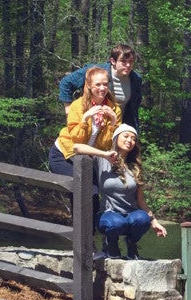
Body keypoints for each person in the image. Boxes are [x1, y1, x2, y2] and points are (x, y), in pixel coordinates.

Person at [96, 124, 168, 260]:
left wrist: (154, 221)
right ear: (116, 138)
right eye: (126, 136)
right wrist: (104, 154)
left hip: (130, 215)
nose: (130, 140)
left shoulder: (135, 167)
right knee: (117, 223)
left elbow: (140, 201)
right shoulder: (102, 160)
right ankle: (110, 243)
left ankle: (131, 243)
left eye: (133, 139)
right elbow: (77, 148)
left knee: (143, 219)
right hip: (108, 215)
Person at [51, 67, 121, 177]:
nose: (102, 88)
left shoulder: (114, 109)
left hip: (88, 156)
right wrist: (85, 118)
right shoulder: (77, 106)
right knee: (84, 186)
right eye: (98, 84)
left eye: (105, 84)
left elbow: (104, 145)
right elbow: (77, 141)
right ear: (88, 85)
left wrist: (113, 121)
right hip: (65, 153)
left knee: (93, 186)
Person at [59, 44, 144, 128]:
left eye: (131, 61)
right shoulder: (96, 71)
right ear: (113, 61)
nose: (128, 65)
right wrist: (68, 109)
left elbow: (134, 106)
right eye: (123, 61)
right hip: (90, 122)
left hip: (118, 124)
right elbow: (66, 83)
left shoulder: (135, 79)